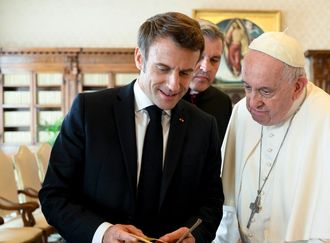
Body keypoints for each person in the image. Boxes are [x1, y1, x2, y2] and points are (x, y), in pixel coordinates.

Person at [39, 12, 224, 243]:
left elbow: (211, 204)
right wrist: (103, 233)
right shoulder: (90, 111)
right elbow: (54, 195)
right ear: (139, 58)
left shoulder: (204, 126)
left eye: (185, 72)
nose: (174, 84)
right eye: (163, 68)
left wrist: (194, 236)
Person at [214, 32, 330, 242]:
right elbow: (229, 202)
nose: (253, 102)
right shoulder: (242, 112)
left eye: (265, 91)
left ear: (297, 86)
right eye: (247, 87)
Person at [183, 20, 232, 142]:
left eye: (214, 60)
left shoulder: (223, 102)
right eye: (199, 57)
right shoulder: (166, 96)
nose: (206, 67)